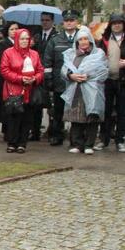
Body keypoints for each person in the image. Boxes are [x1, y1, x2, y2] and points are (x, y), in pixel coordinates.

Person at [61, 27, 108, 154]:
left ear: (90, 40)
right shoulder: (71, 54)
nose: (83, 41)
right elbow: (64, 70)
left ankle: (89, 145)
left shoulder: (98, 54)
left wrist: (89, 76)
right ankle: (78, 144)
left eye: (85, 39)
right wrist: (71, 76)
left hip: (93, 91)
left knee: (92, 117)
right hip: (76, 90)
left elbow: (104, 71)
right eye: (80, 39)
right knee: (76, 117)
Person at [0, 28, 44, 153]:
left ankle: (22, 143)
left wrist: (34, 79)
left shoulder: (34, 54)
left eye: (27, 39)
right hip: (13, 90)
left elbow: (40, 70)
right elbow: (4, 70)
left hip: (30, 90)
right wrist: (20, 79)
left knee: (27, 117)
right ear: (17, 39)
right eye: (22, 38)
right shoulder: (8, 52)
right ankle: (12, 142)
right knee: (13, 117)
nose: (24, 41)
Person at [44, 9, 80, 146]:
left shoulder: (83, 38)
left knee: (76, 112)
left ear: (76, 22)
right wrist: (48, 79)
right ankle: (57, 135)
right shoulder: (55, 40)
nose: (69, 23)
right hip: (59, 82)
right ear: (63, 23)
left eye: (72, 20)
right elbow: (48, 61)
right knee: (58, 112)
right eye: (66, 21)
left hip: (77, 83)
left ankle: (75, 138)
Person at [98, 13, 125, 152]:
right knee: (106, 111)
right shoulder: (104, 39)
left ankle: (120, 140)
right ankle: (104, 140)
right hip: (107, 80)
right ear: (110, 24)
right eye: (114, 23)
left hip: (123, 81)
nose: (117, 25)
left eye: (119, 22)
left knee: (122, 111)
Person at [30, 12, 57, 140]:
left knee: (52, 105)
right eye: (42, 20)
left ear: (52, 21)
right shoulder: (36, 36)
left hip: (51, 73)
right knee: (36, 103)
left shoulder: (56, 36)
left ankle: (52, 132)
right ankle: (35, 131)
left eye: (47, 20)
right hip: (37, 73)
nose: (44, 22)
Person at [0, 22, 19, 135]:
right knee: (6, 104)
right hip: (5, 78)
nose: (14, 31)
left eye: (16, 29)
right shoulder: (3, 44)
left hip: (18, 78)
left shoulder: (21, 42)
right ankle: (6, 129)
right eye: (12, 29)